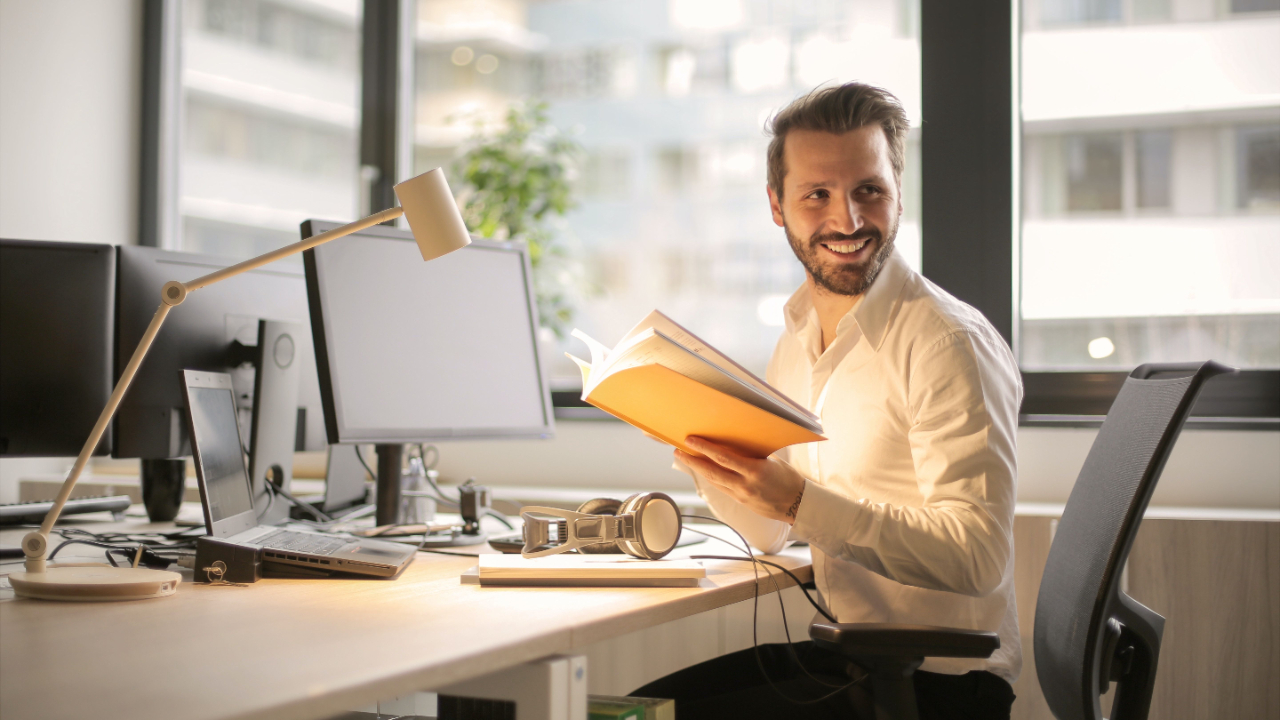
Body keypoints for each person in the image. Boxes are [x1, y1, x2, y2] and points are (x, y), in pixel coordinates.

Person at [634, 83, 1022, 720]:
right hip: (852, 656)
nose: (847, 220)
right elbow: (767, 532)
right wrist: (705, 453)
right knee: (638, 708)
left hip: (943, 683)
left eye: (868, 189)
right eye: (817, 194)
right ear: (777, 206)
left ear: (897, 188)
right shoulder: (796, 338)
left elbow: (977, 557)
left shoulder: (947, 342)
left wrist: (795, 497)